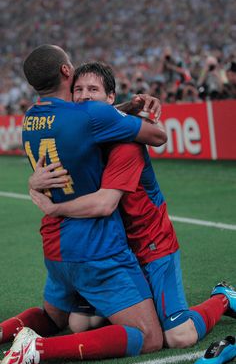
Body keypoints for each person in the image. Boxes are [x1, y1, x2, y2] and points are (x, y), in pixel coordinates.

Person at [29, 61, 236, 350]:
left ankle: (223, 298)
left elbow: (105, 202)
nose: (85, 95)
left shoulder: (127, 141)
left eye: (93, 89)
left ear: (110, 98)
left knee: (178, 337)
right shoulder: (83, 133)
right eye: (78, 89)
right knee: (81, 323)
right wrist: (33, 181)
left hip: (151, 243)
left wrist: (54, 208)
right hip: (115, 247)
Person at [2, 45, 166, 364]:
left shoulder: (30, 118)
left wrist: (121, 107)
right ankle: (37, 350)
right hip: (96, 246)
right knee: (149, 337)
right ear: (66, 71)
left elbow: (81, 123)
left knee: (55, 318)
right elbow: (156, 136)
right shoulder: (92, 116)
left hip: (54, 246)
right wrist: (128, 111)